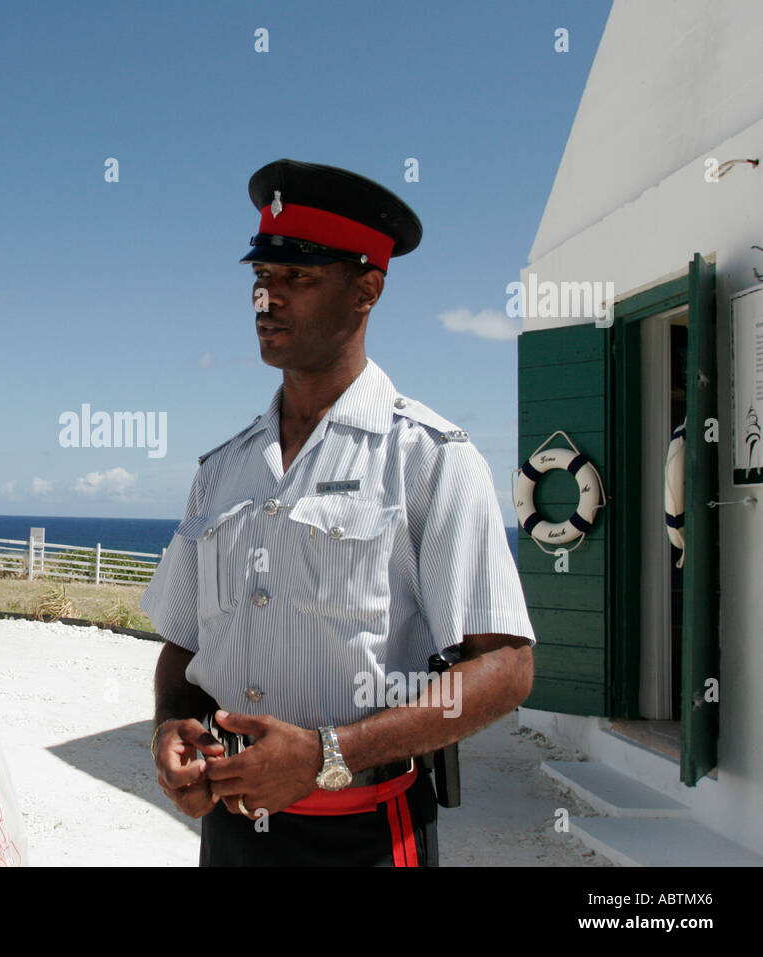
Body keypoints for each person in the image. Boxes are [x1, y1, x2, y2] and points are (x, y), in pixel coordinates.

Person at [142, 159, 536, 866]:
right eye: (261, 279)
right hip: (232, 830)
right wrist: (172, 725)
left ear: (368, 289)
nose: (268, 300)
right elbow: (183, 648)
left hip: (367, 830)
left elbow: (504, 669)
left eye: (298, 278)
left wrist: (329, 754)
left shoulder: (432, 459)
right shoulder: (222, 471)